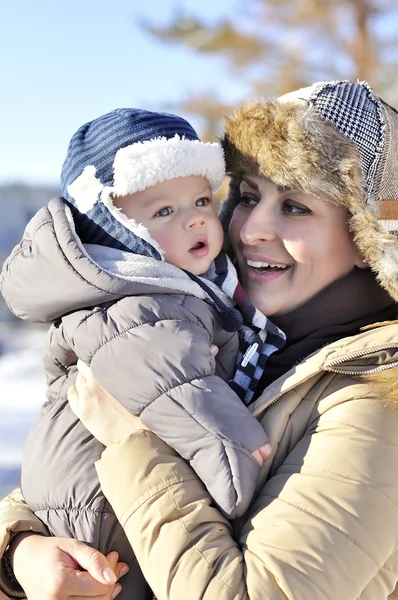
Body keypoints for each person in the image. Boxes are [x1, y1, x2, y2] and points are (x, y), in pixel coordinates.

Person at [1, 79, 398, 600]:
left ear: (367, 236)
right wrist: (20, 553)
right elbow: (60, 470)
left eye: (296, 207)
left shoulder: (375, 398)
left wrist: (133, 443)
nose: (251, 228)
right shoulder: (230, 339)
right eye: (248, 196)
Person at [0, 109, 285, 599]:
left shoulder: (173, 295)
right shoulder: (145, 309)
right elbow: (180, 393)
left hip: (104, 504)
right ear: (118, 233)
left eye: (200, 199)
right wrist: (241, 458)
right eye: (164, 211)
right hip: (100, 514)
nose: (197, 217)